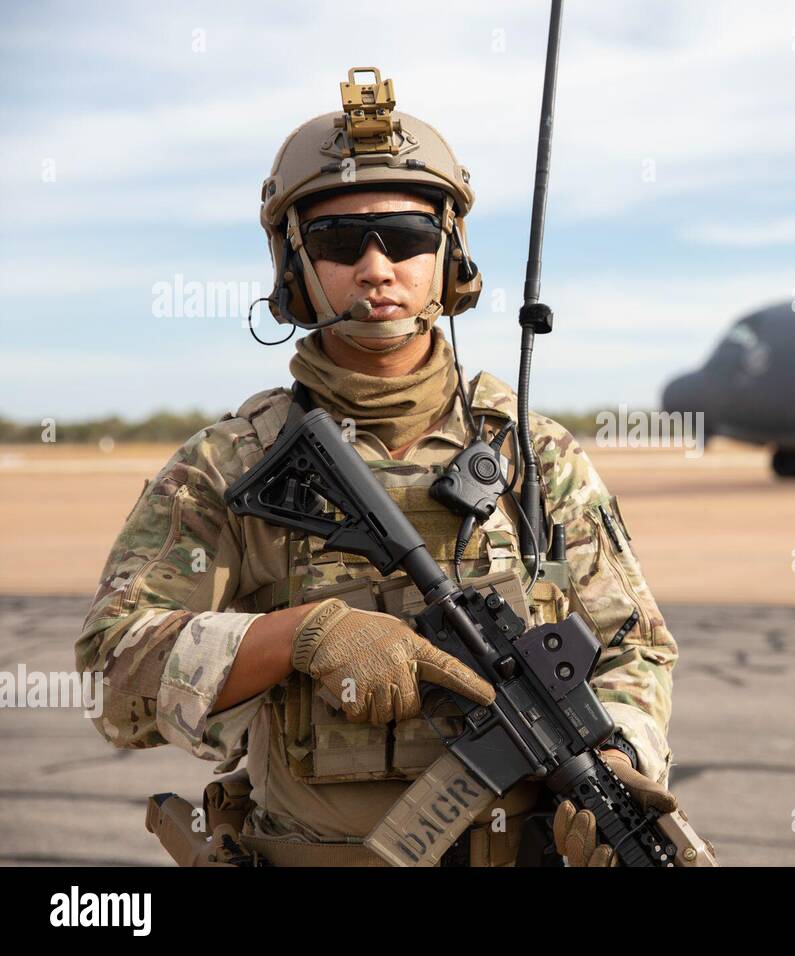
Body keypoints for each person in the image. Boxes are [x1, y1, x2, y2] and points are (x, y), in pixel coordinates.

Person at [76, 67, 679, 867]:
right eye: (336, 241)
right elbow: (117, 680)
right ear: (294, 263)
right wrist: (299, 635)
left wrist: (614, 759)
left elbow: (635, 647)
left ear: (449, 255)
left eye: (405, 237)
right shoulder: (231, 466)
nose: (374, 267)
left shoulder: (533, 456)